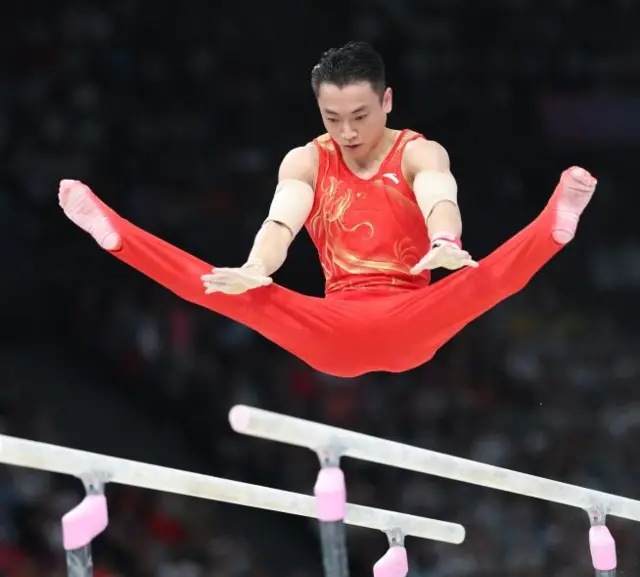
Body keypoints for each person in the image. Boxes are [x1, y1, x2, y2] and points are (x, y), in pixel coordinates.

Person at [58, 41, 596, 378]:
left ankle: (553, 228)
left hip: (412, 315)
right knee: (229, 291)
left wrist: (445, 242)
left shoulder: (418, 151)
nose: (347, 131)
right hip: (333, 325)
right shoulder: (307, 161)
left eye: (360, 115)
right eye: (331, 116)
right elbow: (281, 221)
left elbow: (439, 194)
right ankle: (117, 237)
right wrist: (256, 268)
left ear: (387, 101)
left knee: (485, 280)